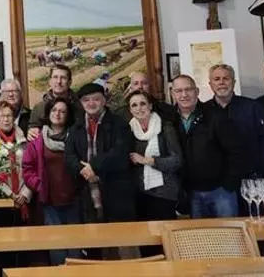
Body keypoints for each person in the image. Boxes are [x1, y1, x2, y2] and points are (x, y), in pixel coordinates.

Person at [172, 75, 245, 218]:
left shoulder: (215, 115)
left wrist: (229, 183)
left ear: (197, 91)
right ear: (173, 94)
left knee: (228, 231)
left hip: (221, 191)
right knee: (201, 233)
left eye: (188, 89)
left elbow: (236, 151)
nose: (184, 94)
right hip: (191, 192)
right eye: (179, 91)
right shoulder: (170, 120)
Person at [22, 97, 81, 265]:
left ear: (68, 115)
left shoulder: (76, 137)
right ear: (48, 113)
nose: (58, 114)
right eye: (54, 110)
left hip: (74, 200)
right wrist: (39, 184)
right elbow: (27, 168)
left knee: (76, 247)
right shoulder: (38, 140)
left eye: (62, 111)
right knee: (57, 246)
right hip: (50, 201)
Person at [66, 83, 136, 226]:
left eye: (96, 99)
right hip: (86, 192)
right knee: (91, 236)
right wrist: (83, 170)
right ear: (81, 103)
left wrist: (93, 167)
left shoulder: (120, 124)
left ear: (104, 100)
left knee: (121, 235)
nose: (91, 103)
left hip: (116, 191)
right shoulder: (75, 128)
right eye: (86, 100)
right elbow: (69, 156)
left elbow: (120, 153)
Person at [126, 90, 182, 256]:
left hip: (164, 193)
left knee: (165, 244)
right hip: (140, 194)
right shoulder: (128, 131)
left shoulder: (165, 128)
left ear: (150, 106)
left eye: (143, 103)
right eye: (134, 105)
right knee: (145, 245)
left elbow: (177, 161)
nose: (139, 108)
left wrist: (147, 160)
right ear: (130, 110)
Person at [205, 64, 264, 180]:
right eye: (217, 79)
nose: (221, 82)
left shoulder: (253, 107)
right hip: (217, 180)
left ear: (234, 82)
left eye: (226, 78)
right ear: (210, 84)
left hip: (250, 177)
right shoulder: (204, 110)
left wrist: (261, 169)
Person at [0, 100, 31, 271]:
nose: (6, 119)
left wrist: (25, 194)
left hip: (22, 198)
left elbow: (31, 169)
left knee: (22, 246)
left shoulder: (24, 140)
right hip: (2, 199)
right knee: (3, 248)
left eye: (9, 116)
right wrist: (9, 195)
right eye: (2, 116)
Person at [28, 64, 82, 141]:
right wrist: (31, 132)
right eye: (55, 77)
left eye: (63, 78)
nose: (59, 81)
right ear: (50, 81)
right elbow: (33, 132)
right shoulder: (39, 108)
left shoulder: (80, 106)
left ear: (69, 82)